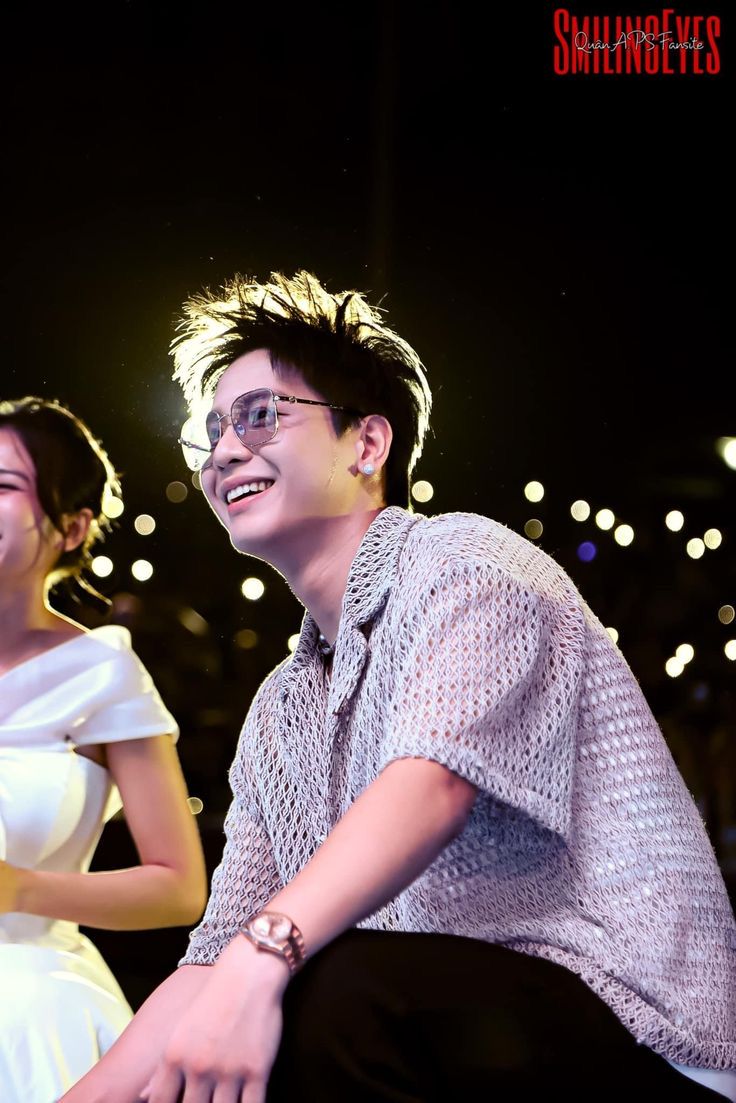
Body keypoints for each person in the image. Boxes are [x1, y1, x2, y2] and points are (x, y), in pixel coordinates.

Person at [63, 272, 735, 1103]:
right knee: (266, 1008)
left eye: (261, 415)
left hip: (644, 1041)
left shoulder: (465, 563)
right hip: (452, 1035)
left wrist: (260, 958)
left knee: (324, 991)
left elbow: (433, 782)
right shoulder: (281, 707)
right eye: (213, 431)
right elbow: (210, 962)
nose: (226, 450)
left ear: (368, 444)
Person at [0, 397, 207, 1103]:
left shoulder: (100, 673)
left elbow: (180, 887)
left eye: (3, 484)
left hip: (30, 1009)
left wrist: (17, 889)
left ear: (72, 526)